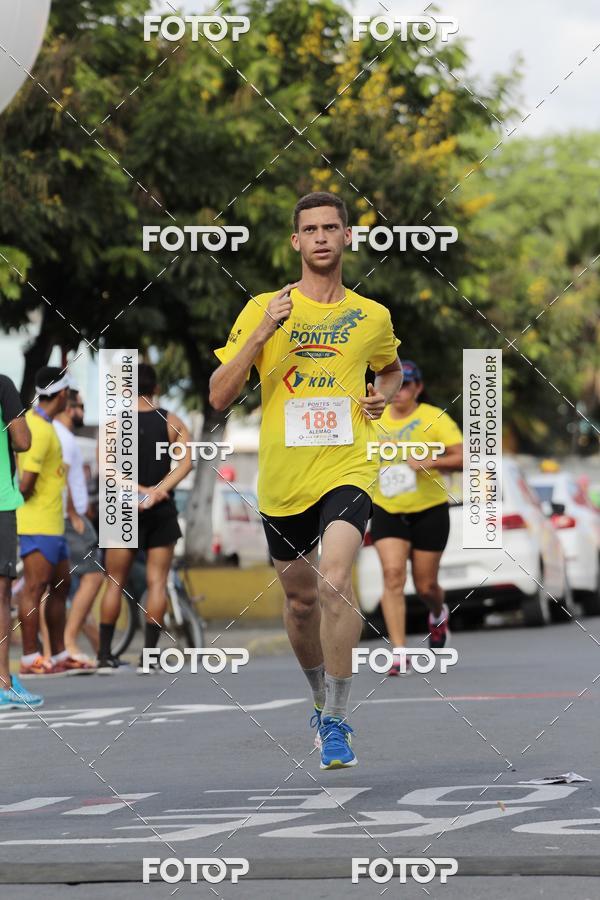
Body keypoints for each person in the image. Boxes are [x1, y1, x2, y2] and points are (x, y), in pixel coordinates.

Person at [209, 191, 402, 769]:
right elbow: (219, 395)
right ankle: (319, 700)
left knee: (335, 579)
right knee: (298, 604)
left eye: (331, 227)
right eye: (310, 229)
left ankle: (340, 721)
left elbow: (390, 369)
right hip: (284, 478)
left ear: (347, 237)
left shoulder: (373, 316)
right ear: (295, 241)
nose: (321, 236)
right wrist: (263, 333)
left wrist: (382, 396)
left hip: (347, 465)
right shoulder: (264, 309)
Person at [97, 363, 193, 673]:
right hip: (161, 510)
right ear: (157, 388)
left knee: (114, 582)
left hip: (122, 508)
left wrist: (137, 491)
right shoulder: (172, 421)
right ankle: (149, 657)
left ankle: (103, 655)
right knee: (157, 582)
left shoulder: (113, 423)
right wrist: (156, 491)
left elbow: (106, 470)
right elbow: (185, 464)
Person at [370, 360, 463, 675]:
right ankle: (398, 652)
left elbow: (463, 457)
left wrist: (430, 462)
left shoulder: (433, 417)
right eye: (395, 385)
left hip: (429, 508)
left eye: (406, 385)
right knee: (393, 575)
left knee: (425, 586)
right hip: (386, 507)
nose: (399, 392)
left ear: (418, 388)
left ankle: (437, 613)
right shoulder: (373, 417)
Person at [16, 367, 92, 676]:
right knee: (33, 590)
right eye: (70, 394)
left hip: (54, 523)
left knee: (62, 585)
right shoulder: (37, 429)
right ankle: (31, 658)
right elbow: (26, 483)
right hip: (37, 524)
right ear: (61, 395)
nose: (71, 399)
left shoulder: (48, 426)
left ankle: (60, 655)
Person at [0, 374, 44, 708]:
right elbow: (23, 440)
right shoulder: (2, 384)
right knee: (0, 597)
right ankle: (3, 683)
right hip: (0, 502)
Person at [53, 389, 102, 667]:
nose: (83, 411)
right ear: (68, 407)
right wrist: (73, 512)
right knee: (93, 575)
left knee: (57, 585)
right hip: (68, 517)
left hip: (61, 516)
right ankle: (69, 642)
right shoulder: (62, 435)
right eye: (80, 406)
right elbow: (61, 476)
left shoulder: (58, 434)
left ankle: (57, 649)